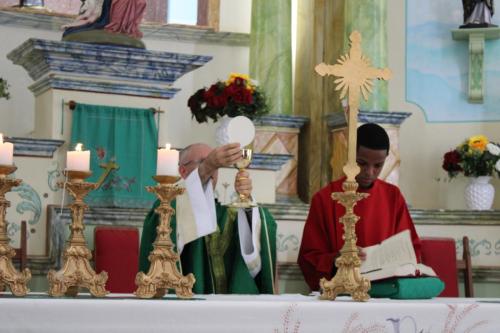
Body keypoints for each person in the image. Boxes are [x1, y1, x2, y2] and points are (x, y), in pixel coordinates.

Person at [139, 143, 277, 294]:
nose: (212, 170)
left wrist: (247, 202)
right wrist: (207, 167)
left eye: (215, 166)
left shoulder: (228, 212)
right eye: (204, 162)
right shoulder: (167, 206)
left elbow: (260, 233)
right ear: (183, 171)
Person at [297, 123, 421, 291]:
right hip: (340, 294)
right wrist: (336, 259)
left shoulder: (393, 197)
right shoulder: (325, 198)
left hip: (383, 293)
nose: (369, 172)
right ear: (350, 156)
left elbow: (411, 250)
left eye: (378, 165)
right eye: (362, 163)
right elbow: (308, 258)